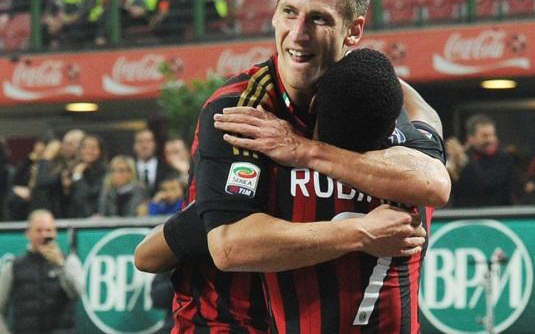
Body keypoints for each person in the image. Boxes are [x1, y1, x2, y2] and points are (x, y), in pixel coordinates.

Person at [136, 47, 447, 332]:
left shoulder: (275, 182)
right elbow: (427, 115)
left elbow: (148, 256)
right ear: (392, 124)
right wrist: (374, 76)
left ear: (314, 105)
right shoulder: (414, 175)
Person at [0, 209, 84, 334]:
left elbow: (77, 293)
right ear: (28, 233)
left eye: (48, 230)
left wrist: (60, 266)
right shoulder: (13, 266)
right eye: (38, 230)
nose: (44, 235)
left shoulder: (69, 262)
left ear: (55, 233)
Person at [446, 114, 519, 207]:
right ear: (471, 138)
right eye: (485, 136)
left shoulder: (504, 159)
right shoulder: (464, 156)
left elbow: (486, 183)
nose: (490, 140)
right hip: (463, 213)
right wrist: (451, 162)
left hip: (497, 212)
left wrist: (464, 162)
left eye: (493, 135)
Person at [67, 134, 108, 218]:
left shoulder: (106, 173)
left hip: (93, 219)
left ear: (100, 151)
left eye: (93, 148)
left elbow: (89, 195)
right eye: (84, 147)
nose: (88, 151)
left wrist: (77, 177)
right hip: (71, 218)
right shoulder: (71, 170)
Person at [132, 128, 174, 197]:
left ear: (155, 144)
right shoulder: (128, 168)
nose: (144, 145)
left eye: (148, 141)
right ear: (134, 145)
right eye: (140, 142)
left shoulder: (167, 167)